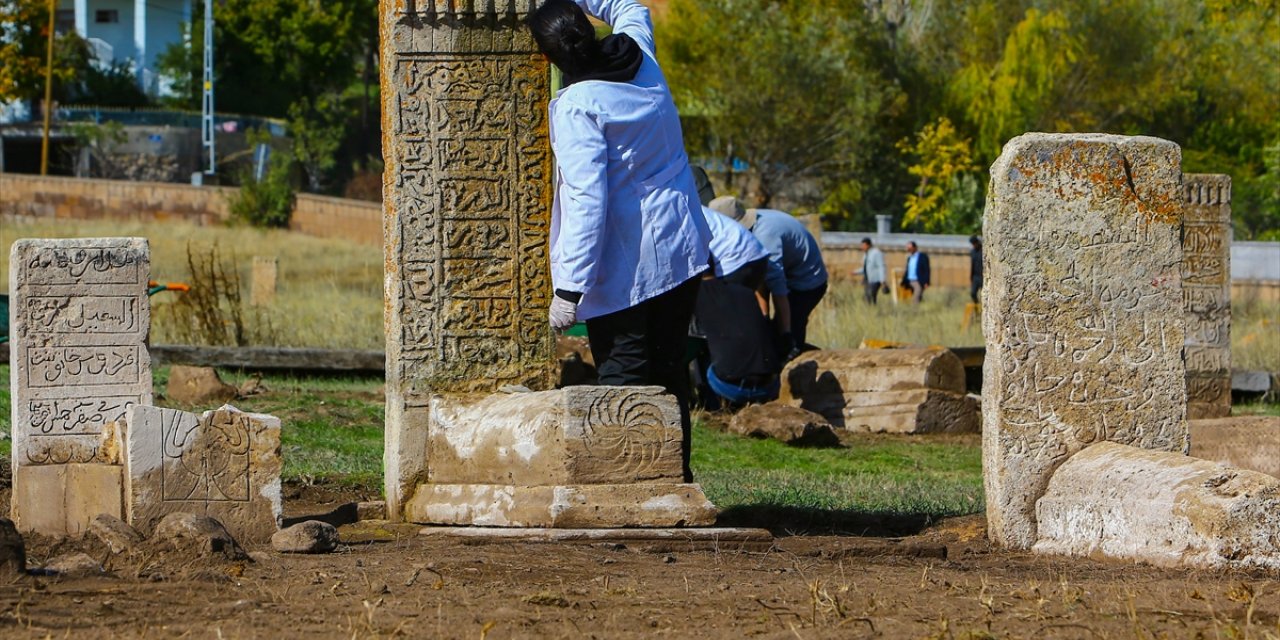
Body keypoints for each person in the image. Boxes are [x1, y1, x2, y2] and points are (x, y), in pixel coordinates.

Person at [528, 0, 712, 481]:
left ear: (547, 60)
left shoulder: (578, 106)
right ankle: (676, 481)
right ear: (589, 30)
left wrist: (569, 288)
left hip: (627, 264)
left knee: (624, 373)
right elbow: (629, 5)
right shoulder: (640, 59)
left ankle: (630, 489)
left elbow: (589, 201)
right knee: (670, 371)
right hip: (682, 246)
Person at [709, 196, 827, 357]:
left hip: (808, 281)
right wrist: (763, 316)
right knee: (770, 331)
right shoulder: (754, 229)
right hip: (788, 271)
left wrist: (785, 332)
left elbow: (777, 286)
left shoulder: (764, 237)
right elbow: (760, 279)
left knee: (788, 333)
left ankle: (799, 363)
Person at [855, 237, 886, 305]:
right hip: (867, 279)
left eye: (863, 245)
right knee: (867, 297)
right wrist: (855, 272)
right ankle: (871, 311)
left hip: (875, 279)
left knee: (870, 296)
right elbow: (865, 268)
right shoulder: (866, 255)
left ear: (868, 245)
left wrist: (882, 280)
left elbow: (881, 266)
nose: (862, 247)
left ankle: (872, 311)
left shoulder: (876, 253)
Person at [969, 235, 983, 304]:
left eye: (975, 243)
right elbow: (972, 265)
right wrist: (971, 277)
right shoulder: (972, 252)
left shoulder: (983, 250)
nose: (974, 245)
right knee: (973, 293)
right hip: (975, 276)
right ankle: (976, 307)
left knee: (984, 295)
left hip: (982, 276)